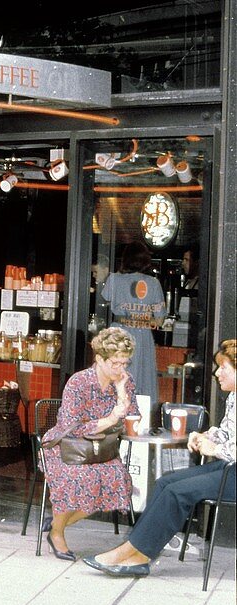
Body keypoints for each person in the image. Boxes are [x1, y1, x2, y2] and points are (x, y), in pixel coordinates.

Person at [83, 338, 236, 577]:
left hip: (233, 472)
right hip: (229, 468)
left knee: (178, 492)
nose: (217, 373)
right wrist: (206, 435)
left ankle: (135, 553)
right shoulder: (234, 397)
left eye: (223, 367)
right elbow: (228, 433)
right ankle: (136, 554)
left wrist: (213, 449)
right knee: (167, 482)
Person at [39, 327, 136, 561]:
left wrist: (122, 393)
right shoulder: (79, 382)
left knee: (116, 480)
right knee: (79, 478)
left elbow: (133, 417)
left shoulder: (124, 381)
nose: (120, 369)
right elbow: (71, 427)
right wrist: (112, 419)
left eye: (124, 363)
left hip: (99, 449)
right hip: (65, 448)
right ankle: (57, 534)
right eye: (115, 363)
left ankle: (56, 524)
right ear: (99, 359)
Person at [101, 241, 166, 414]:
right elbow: (159, 321)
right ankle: (140, 423)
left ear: (125, 260)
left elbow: (104, 301)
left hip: (118, 335)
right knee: (142, 383)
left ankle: (113, 421)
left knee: (115, 378)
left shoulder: (114, 279)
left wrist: (125, 315)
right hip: (143, 337)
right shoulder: (154, 283)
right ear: (145, 260)